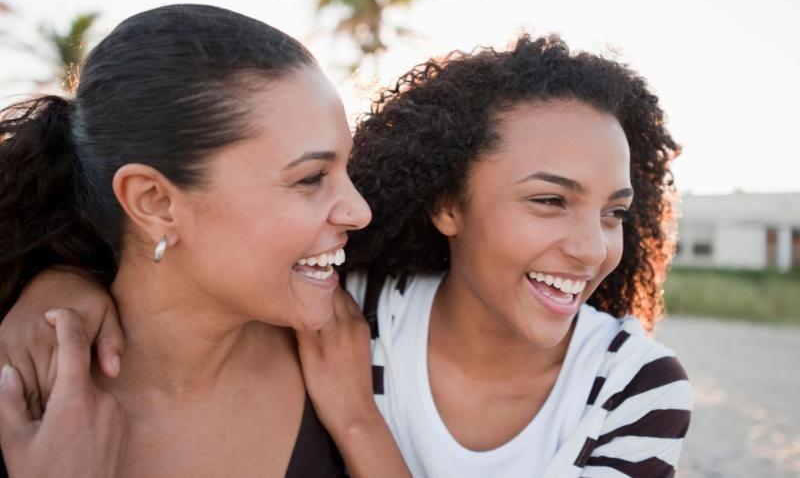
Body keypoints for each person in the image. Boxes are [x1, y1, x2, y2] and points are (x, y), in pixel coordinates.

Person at [1, 33, 691, 476]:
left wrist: (358, 418)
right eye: (311, 177)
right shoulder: (348, 315)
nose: (591, 244)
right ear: (445, 203)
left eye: (616, 213)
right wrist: (59, 281)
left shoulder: (331, 338)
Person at [0, 3, 412, 477]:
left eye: (345, 167)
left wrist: (358, 420)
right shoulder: (20, 402)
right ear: (154, 202)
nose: (360, 211)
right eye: (311, 177)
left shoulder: (347, 351)